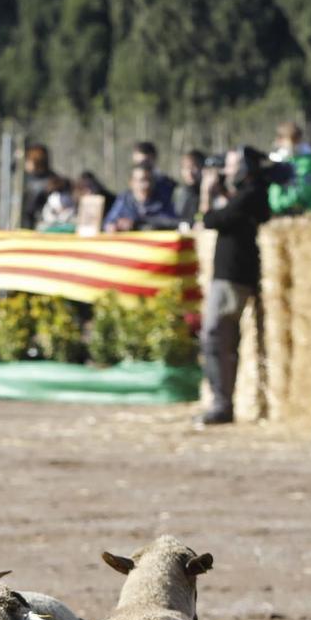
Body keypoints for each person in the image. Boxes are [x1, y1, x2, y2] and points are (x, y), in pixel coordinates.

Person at [195, 146, 272, 427]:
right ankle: (222, 400)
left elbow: (213, 219)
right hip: (229, 274)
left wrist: (208, 193)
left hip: (232, 275)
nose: (226, 171)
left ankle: (221, 403)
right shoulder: (248, 194)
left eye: (230, 165)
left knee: (216, 336)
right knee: (220, 338)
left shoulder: (251, 194)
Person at [267, 121, 311, 216]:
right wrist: (278, 207)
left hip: (307, 213)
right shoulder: (277, 160)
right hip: (281, 212)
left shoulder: (309, 161)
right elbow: (275, 191)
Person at [105, 162, 180, 230]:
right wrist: (115, 226)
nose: (146, 185)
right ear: (131, 182)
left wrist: (137, 223)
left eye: (149, 180)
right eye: (142, 180)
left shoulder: (162, 199)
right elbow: (108, 223)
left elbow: (172, 222)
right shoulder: (124, 200)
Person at [19, 143, 53, 227]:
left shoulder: (50, 182)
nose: (25, 164)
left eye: (27, 160)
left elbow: (30, 211)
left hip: (40, 229)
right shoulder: (28, 179)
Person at [174, 150, 206, 224]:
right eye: (185, 168)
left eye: (193, 167)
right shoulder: (177, 193)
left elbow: (201, 216)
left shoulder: (208, 192)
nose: (189, 172)